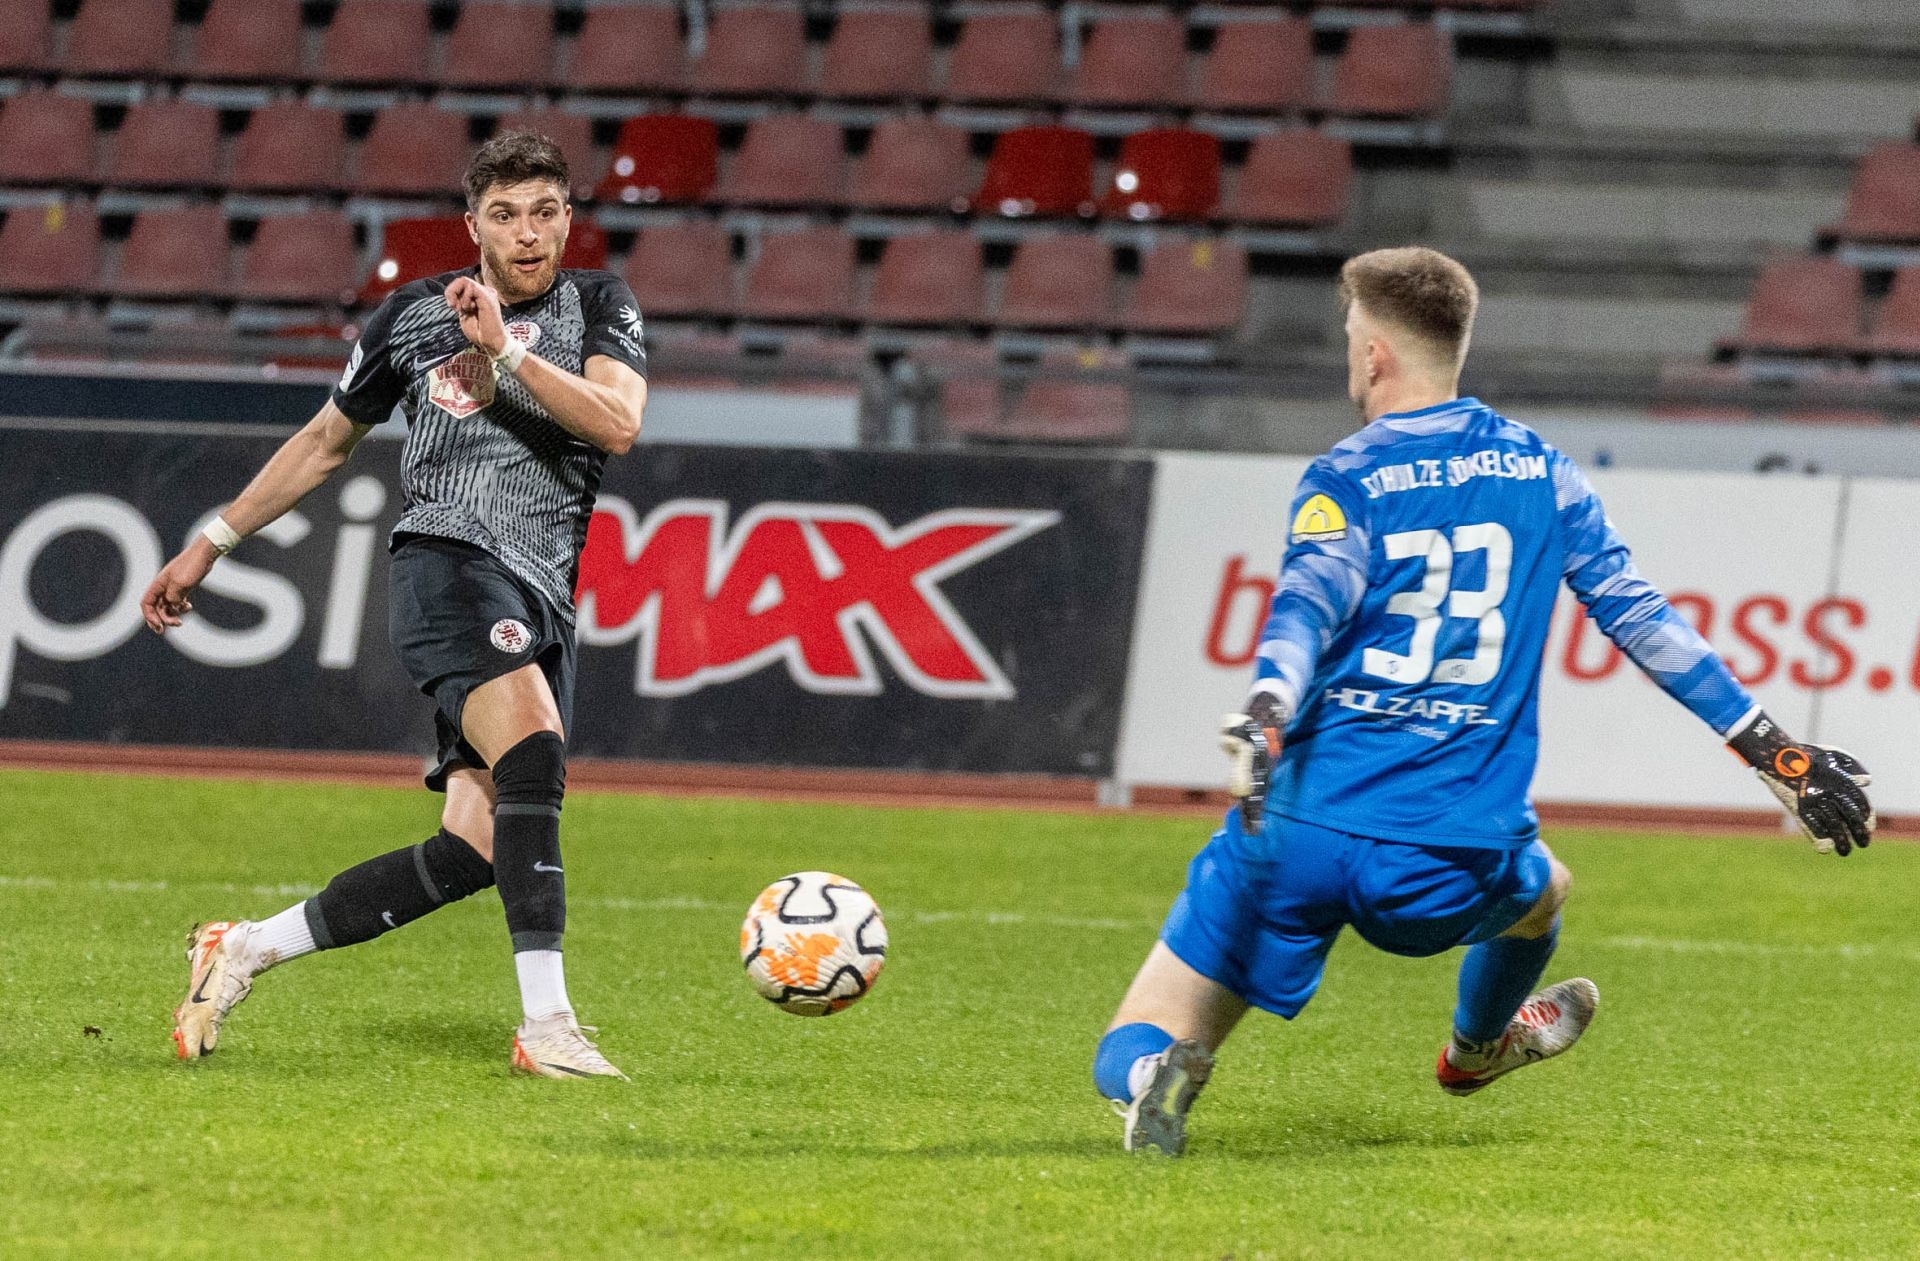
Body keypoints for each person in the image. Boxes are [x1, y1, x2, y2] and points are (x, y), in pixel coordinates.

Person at [1094, 246, 1876, 1155]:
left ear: (1375, 353)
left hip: (1302, 824)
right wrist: (1774, 751)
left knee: (1141, 1027)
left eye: (1351, 335)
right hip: (1449, 850)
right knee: (1547, 893)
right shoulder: (1543, 472)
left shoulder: (1345, 475)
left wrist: (1268, 703)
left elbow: (1305, 603)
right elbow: (1641, 616)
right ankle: (1475, 1049)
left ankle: (1154, 1076)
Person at [141, 132, 649, 1080]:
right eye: (505, 215)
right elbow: (323, 443)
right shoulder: (413, 317)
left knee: (475, 847)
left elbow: (617, 423)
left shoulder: (598, 304)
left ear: (567, 219)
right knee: (534, 749)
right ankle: (548, 1026)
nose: (527, 233)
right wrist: (211, 542)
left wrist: (507, 352)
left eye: (544, 212)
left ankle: (244, 947)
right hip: (448, 565)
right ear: (473, 226)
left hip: (545, 590)